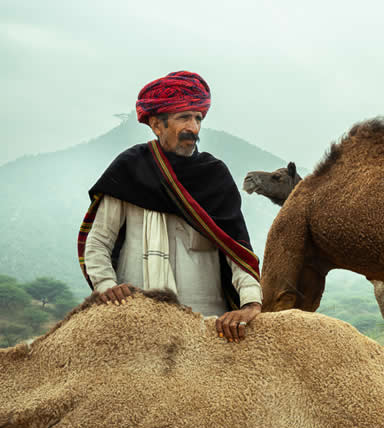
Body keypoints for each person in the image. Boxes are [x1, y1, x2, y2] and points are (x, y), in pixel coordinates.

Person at [78, 71, 262, 342]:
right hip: (138, 320)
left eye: (198, 118)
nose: (194, 128)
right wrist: (107, 286)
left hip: (205, 323)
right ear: (156, 124)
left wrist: (250, 303)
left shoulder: (214, 176)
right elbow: (98, 243)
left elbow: (236, 249)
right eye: (183, 118)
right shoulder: (130, 169)